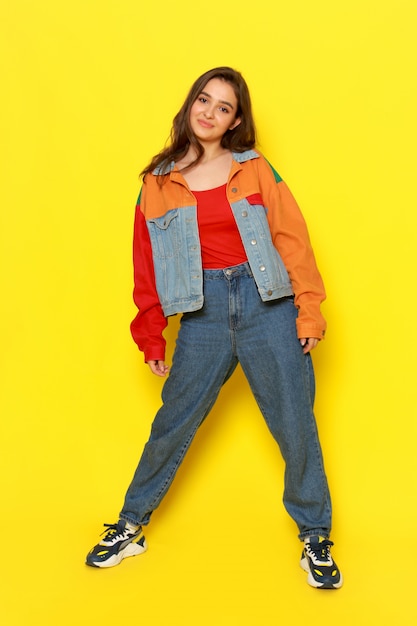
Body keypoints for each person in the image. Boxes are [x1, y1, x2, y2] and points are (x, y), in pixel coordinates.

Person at [86, 66, 343, 589]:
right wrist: (151, 332)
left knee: (295, 422)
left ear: (235, 120)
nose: (209, 112)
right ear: (190, 104)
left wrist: (309, 308)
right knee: (173, 422)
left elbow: (291, 237)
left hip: (266, 302)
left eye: (223, 107)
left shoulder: (253, 169)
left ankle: (315, 535)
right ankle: (131, 525)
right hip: (200, 311)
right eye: (204, 100)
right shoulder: (157, 181)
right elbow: (146, 264)